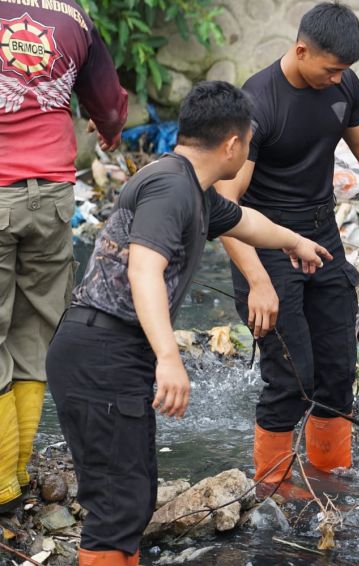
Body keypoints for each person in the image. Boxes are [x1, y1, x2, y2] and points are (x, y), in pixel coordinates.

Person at [45, 81, 332, 566]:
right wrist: (169, 357)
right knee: (117, 505)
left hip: (110, 353)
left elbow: (245, 222)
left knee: (133, 496)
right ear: (233, 144)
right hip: (101, 351)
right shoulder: (171, 188)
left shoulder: (192, 189)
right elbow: (144, 269)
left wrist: (294, 242)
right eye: (249, 143)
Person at [215, 2, 359, 499]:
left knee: (339, 371)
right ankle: (273, 491)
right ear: (301, 51)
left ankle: (330, 480)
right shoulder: (258, 103)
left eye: (346, 70)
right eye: (332, 69)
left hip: (323, 239)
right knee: (291, 376)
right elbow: (226, 205)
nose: (339, 79)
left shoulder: (342, 85)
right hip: (268, 244)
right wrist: (257, 281)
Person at [0, 0, 128, 513]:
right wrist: (110, 133)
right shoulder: (74, 17)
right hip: (52, 197)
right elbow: (110, 107)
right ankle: (17, 471)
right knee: (34, 329)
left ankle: (2, 484)